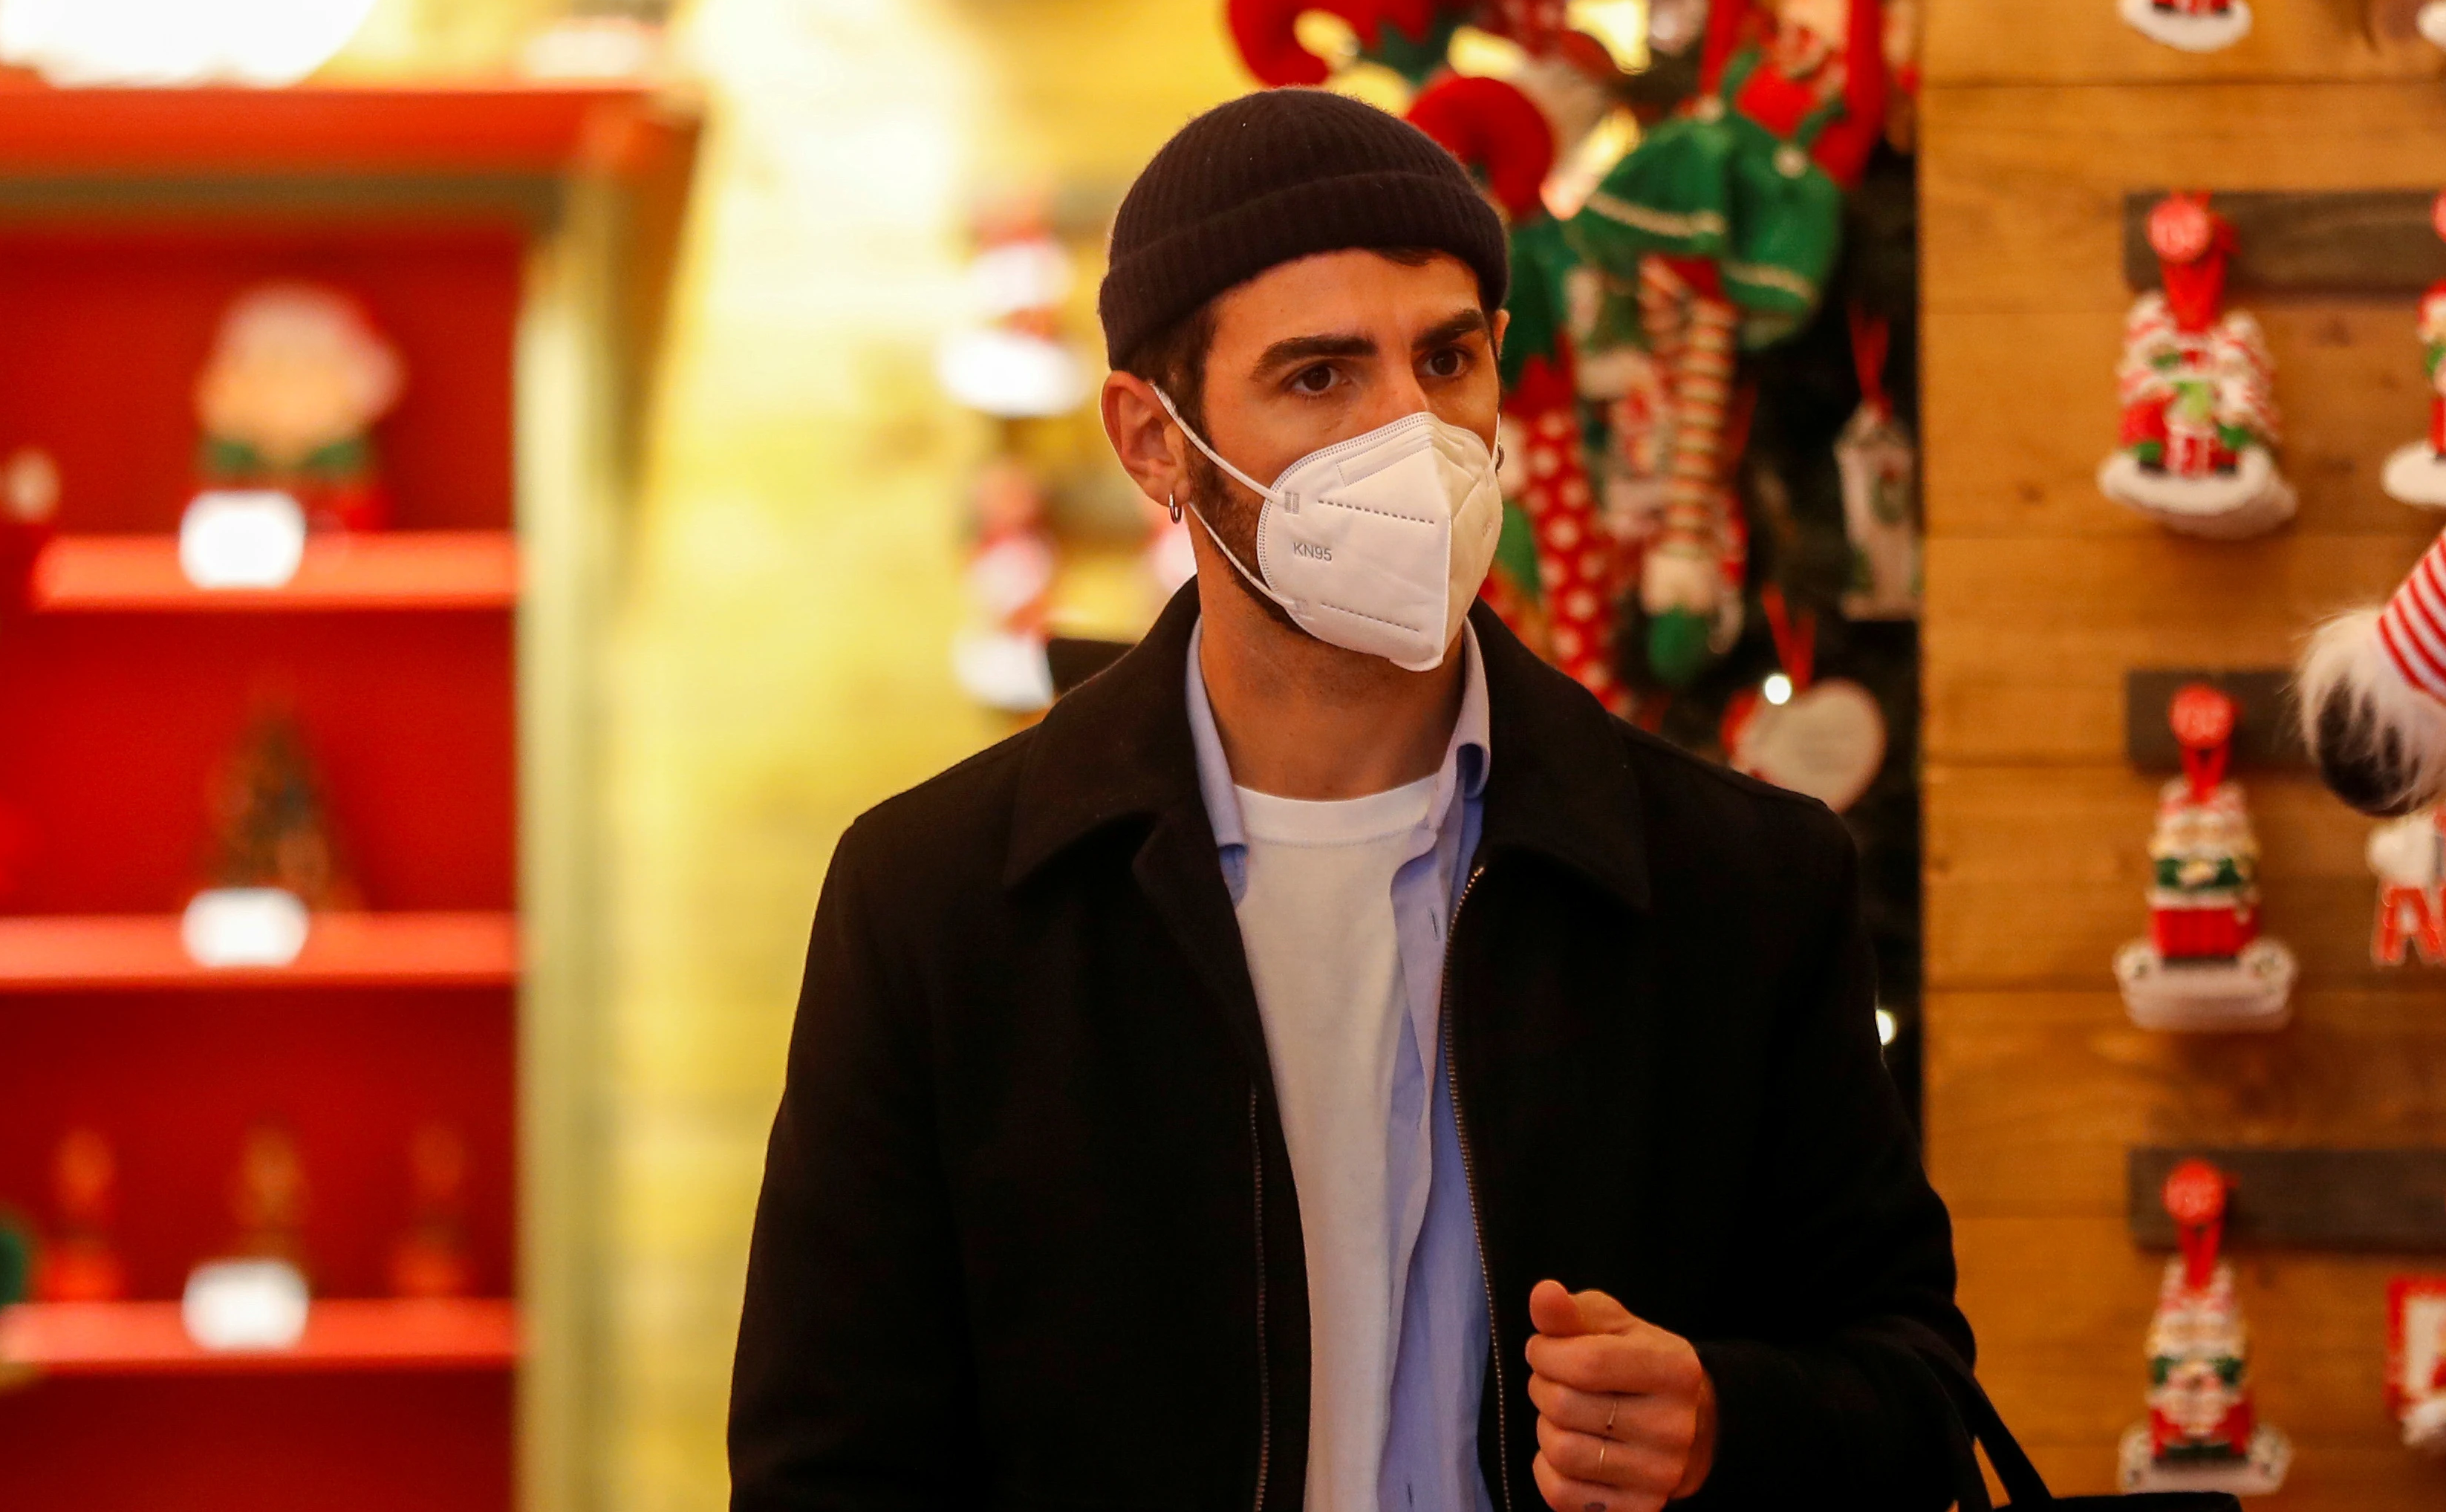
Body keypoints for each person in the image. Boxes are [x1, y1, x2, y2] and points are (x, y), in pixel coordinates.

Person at [729, 88, 1983, 1510]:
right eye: (1321, 377)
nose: (1414, 431)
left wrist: (1725, 1420)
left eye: (1447, 359)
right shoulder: (944, 900)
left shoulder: (1732, 882)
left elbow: (1916, 1393)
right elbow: (827, 1464)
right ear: (1155, 443)